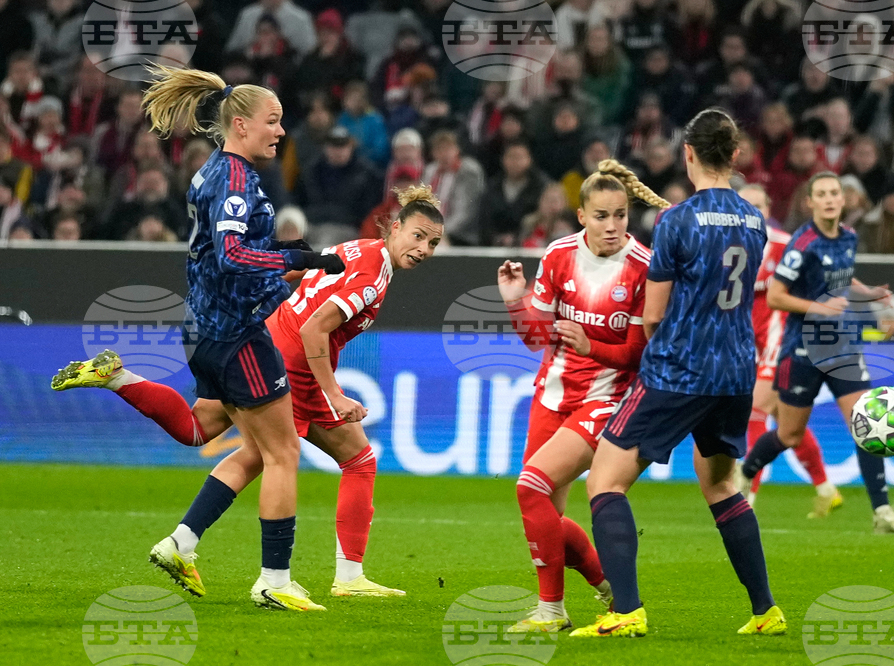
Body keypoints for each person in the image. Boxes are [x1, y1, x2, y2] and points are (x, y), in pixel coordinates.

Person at [52, 185, 444, 599]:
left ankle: (119, 382)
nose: (423, 248)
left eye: (433, 242)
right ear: (395, 227)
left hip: (265, 340)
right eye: (417, 235)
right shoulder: (373, 275)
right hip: (293, 362)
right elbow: (315, 330)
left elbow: (301, 276)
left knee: (199, 427)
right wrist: (336, 394)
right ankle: (329, 579)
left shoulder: (359, 249)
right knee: (351, 459)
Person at [68, 65, 344, 610]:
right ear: (240, 124)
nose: (280, 131)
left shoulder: (212, 171)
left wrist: (280, 264)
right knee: (283, 451)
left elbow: (226, 255)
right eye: (273, 120)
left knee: (209, 429)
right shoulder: (236, 180)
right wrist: (300, 258)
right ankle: (274, 582)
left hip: (204, 330)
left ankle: (180, 541)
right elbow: (233, 254)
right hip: (235, 333)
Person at [571, 108, 784, 639]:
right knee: (719, 486)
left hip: (681, 370)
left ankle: (625, 611)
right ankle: (765, 611)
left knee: (605, 482)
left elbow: (655, 313)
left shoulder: (677, 219)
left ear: (687, 153)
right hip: (736, 370)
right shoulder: (755, 219)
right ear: (734, 156)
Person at [498, 160, 658, 632]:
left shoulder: (643, 267)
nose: (613, 226)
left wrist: (592, 346)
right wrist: (514, 300)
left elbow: (636, 354)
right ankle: (607, 584)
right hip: (552, 393)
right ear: (582, 216)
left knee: (530, 487)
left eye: (621, 215)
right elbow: (536, 338)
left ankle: (551, 612)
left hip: (606, 398)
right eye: (602, 215)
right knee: (543, 511)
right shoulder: (559, 255)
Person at [734, 171, 894, 535]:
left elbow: (843, 280)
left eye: (835, 193)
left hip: (843, 347)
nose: (830, 199)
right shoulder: (802, 244)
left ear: (843, 200)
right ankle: (747, 470)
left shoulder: (848, 237)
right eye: (823, 194)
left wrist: (873, 298)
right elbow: (775, 296)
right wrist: (818, 308)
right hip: (802, 351)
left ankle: (882, 512)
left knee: (868, 425)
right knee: (788, 435)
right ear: (810, 203)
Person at [737, 184, 841, 514]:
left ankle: (746, 495)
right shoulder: (728, 249)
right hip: (750, 341)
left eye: (759, 205)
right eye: (746, 206)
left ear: (768, 210)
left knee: (755, 411)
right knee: (787, 424)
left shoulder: (783, 245)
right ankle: (826, 489)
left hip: (781, 336)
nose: (753, 212)